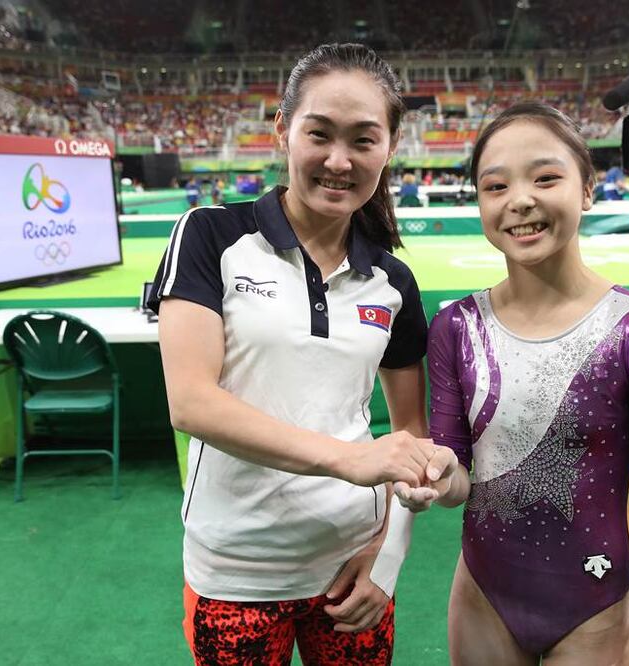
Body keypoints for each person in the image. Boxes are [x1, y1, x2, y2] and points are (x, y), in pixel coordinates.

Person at [148, 43, 440, 666]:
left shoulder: (393, 282)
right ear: (283, 129)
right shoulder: (211, 234)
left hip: (351, 570)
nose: (339, 160)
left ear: (390, 147)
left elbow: (411, 438)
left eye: (364, 139)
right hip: (236, 574)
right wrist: (348, 461)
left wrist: (386, 558)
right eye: (319, 134)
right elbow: (191, 403)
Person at [403, 102, 629, 665]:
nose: (520, 200)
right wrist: (437, 479)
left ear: (587, 189)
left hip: (596, 604)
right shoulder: (455, 328)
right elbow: (462, 475)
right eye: (496, 185)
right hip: (482, 597)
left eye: (545, 177)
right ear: (481, 202)